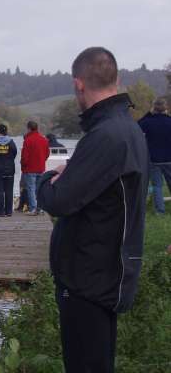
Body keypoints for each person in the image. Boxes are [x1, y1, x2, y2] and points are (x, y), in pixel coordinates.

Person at [37, 47, 149, 373]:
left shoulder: (106, 136)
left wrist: (48, 177)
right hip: (103, 271)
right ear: (116, 79)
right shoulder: (126, 128)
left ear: (79, 85)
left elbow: (57, 200)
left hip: (90, 278)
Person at [138, 98, 171, 215]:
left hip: (154, 159)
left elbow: (137, 125)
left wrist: (148, 113)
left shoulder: (148, 122)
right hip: (169, 159)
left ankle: (160, 211)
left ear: (154, 108)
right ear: (166, 108)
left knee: (157, 186)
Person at [20, 121, 49, 215]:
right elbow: (47, 153)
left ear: (28, 128)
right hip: (41, 167)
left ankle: (33, 208)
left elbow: (25, 156)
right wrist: (42, 160)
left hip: (29, 169)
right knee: (39, 189)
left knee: (31, 189)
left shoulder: (28, 140)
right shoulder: (44, 139)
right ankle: (40, 208)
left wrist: (23, 165)